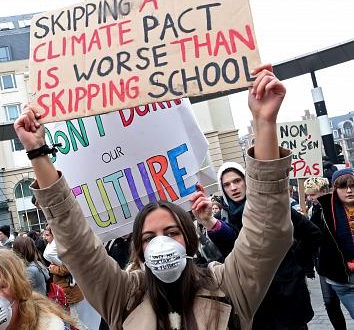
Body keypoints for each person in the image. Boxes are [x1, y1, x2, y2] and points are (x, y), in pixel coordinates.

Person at [15, 64, 294, 329]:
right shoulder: (122, 297)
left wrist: (264, 122)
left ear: (189, 240)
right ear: (139, 247)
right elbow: (76, 243)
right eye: (149, 237)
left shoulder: (227, 286)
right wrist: (38, 152)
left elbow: (266, 230)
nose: (160, 242)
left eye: (171, 232)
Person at [205, 161, 321, 329]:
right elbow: (234, 255)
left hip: (288, 297)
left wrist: (296, 264)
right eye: (227, 184)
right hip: (257, 303)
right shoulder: (228, 218)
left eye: (237, 181)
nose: (233, 188)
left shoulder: (274, 207)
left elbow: (313, 234)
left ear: (247, 181)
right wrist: (210, 223)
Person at [305, 176, 347, 330]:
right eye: (308, 195)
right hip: (323, 263)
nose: (310, 198)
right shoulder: (311, 210)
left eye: (313, 194)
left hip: (341, 261)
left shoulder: (336, 207)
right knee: (329, 301)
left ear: (324, 191)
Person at [43, 226, 102, 329]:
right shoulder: (54, 247)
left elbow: (69, 268)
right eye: (44, 235)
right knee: (73, 319)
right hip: (65, 290)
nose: (44, 237)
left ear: (55, 235)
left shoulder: (62, 248)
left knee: (75, 320)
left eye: (47, 235)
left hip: (69, 290)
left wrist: (53, 269)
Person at [315, 168, 354, 319]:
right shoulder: (324, 212)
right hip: (342, 281)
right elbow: (311, 238)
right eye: (343, 187)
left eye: (352, 186)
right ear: (335, 189)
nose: (349, 190)